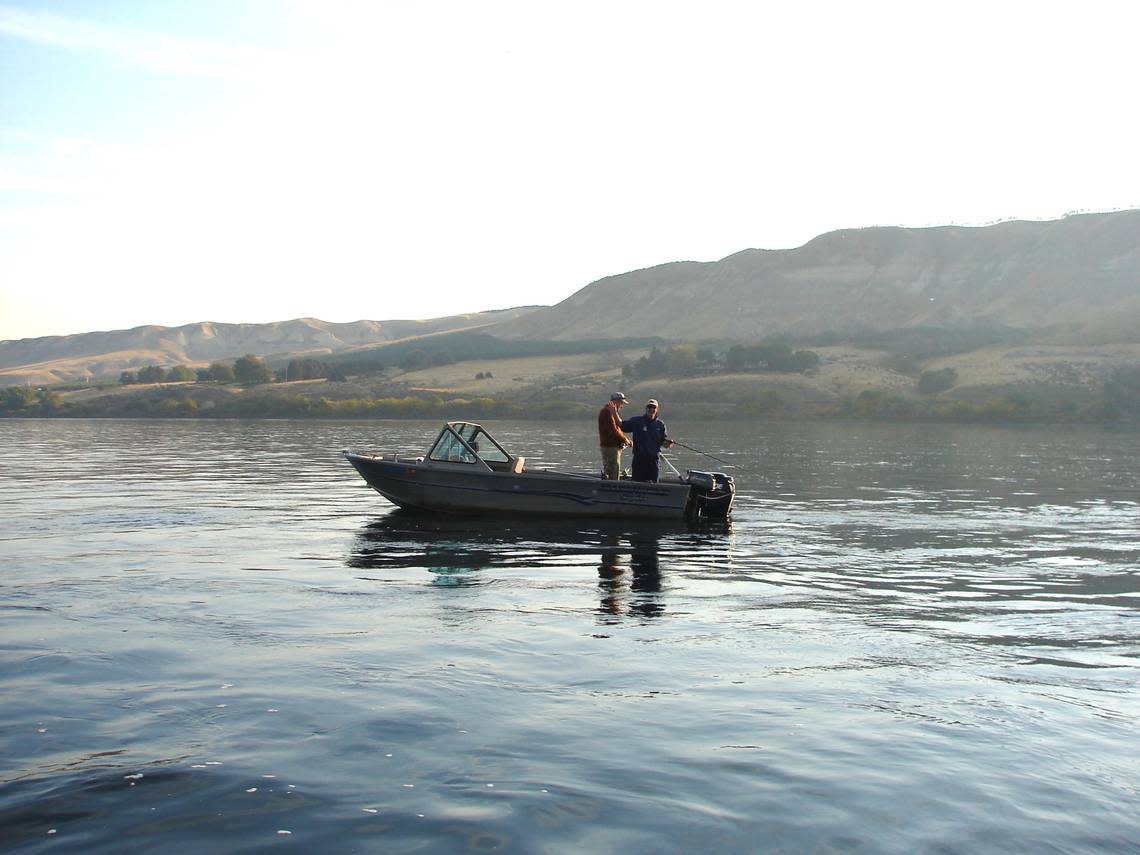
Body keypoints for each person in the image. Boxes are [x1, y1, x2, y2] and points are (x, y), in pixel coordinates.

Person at [621, 398, 674, 482]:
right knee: (637, 483)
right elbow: (621, 426)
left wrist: (668, 444)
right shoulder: (637, 421)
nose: (651, 409)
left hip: (653, 460)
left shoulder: (660, 424)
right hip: (639, 459)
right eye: (649, 407)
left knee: (653, 483)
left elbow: (663, 442)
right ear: (646, 408)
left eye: (654, 407)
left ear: (657, 409)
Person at [597, 392, 631, 479]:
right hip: (610, 448)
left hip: (613, 447)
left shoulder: (611, 412)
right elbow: (613, 430)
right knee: (612, 472)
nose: (622, 406)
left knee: (613, 470)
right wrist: (625, 440)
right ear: (616, 402)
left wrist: (624, 440)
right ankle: (611, 488)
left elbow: (617, 429)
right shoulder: (607, 412)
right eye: (622, 403)